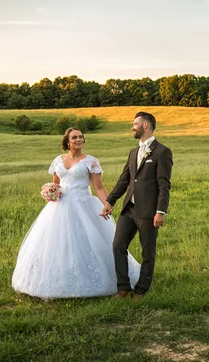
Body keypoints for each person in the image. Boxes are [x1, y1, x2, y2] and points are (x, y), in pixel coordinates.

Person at [12, 127, 140, 299]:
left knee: (88, 242)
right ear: (67, 142)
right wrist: (50, 192)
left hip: (84, 205)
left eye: (81, 137)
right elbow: (56, 184)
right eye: (74, 138)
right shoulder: (58, 160)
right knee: (57, 244)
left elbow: (99, 187)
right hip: (59, 209)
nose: (79, 140)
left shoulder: (91, 161)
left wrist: (107, 203)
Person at [101, 112, 173, 300]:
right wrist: (110, 201)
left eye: (135, 124)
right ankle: (123, 288)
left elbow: (164, 184)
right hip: (129, 210)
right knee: (118, 245)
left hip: (149, 212)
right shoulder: (133, 152)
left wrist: (160, 211)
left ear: (146, 126)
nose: (132, 127)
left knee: (147, 251)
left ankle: (141, 290)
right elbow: (124, 179)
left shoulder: (162, 152)